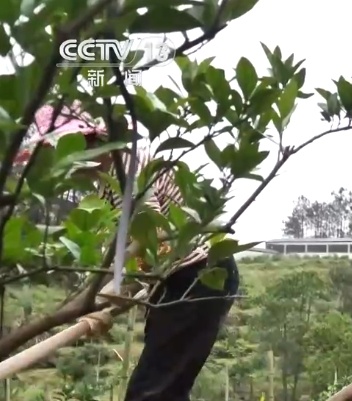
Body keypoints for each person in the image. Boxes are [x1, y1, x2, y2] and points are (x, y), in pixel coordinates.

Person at [15, 102, 240, 401]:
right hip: (175, 281)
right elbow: (146, 254)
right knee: (161, 388)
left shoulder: (127, 169)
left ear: (89, 144)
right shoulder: (109, 183)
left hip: (200, 276)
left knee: (151, 392)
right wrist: (104, 305)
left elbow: (154, 233)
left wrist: (108, 290)